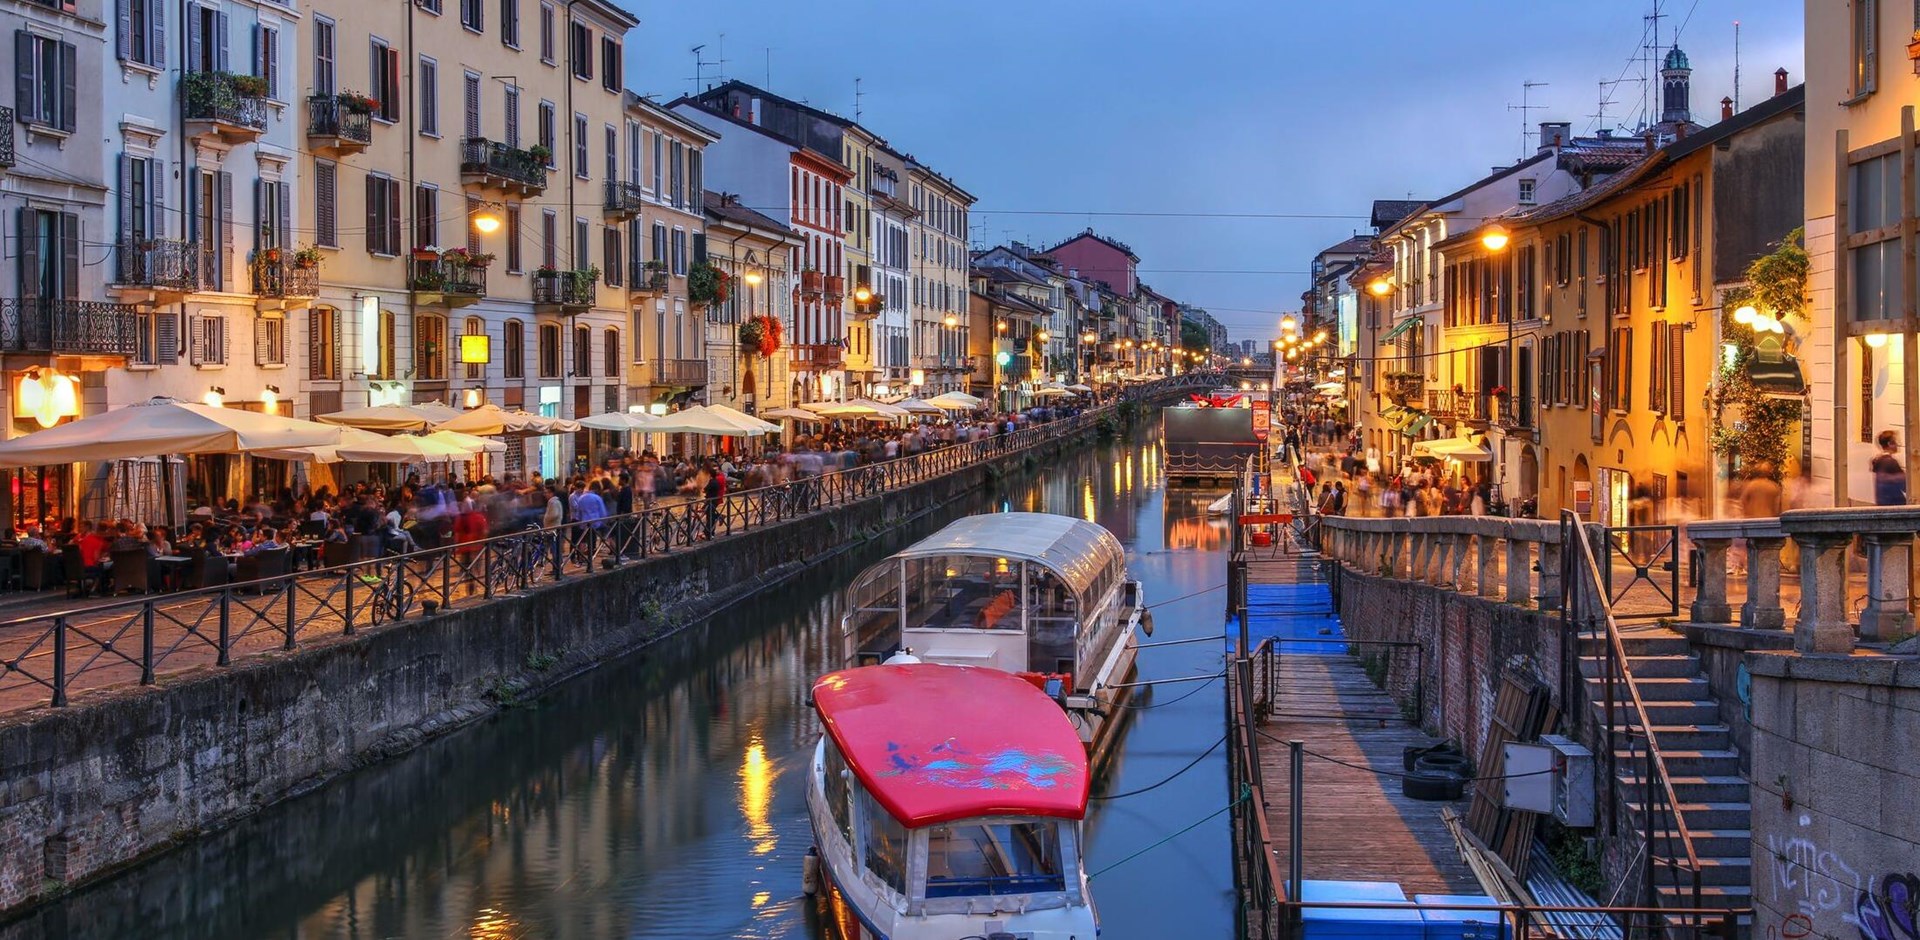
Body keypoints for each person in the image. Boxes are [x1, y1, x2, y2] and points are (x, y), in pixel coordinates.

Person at [1873, 430, 1908, 506]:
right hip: (1894, 505)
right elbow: (1906, 486)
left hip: (1883, 504)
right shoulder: (1891, 462)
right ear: (1890, 444)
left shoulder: (1879, 461)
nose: (1898, 444)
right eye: (1896, 441)